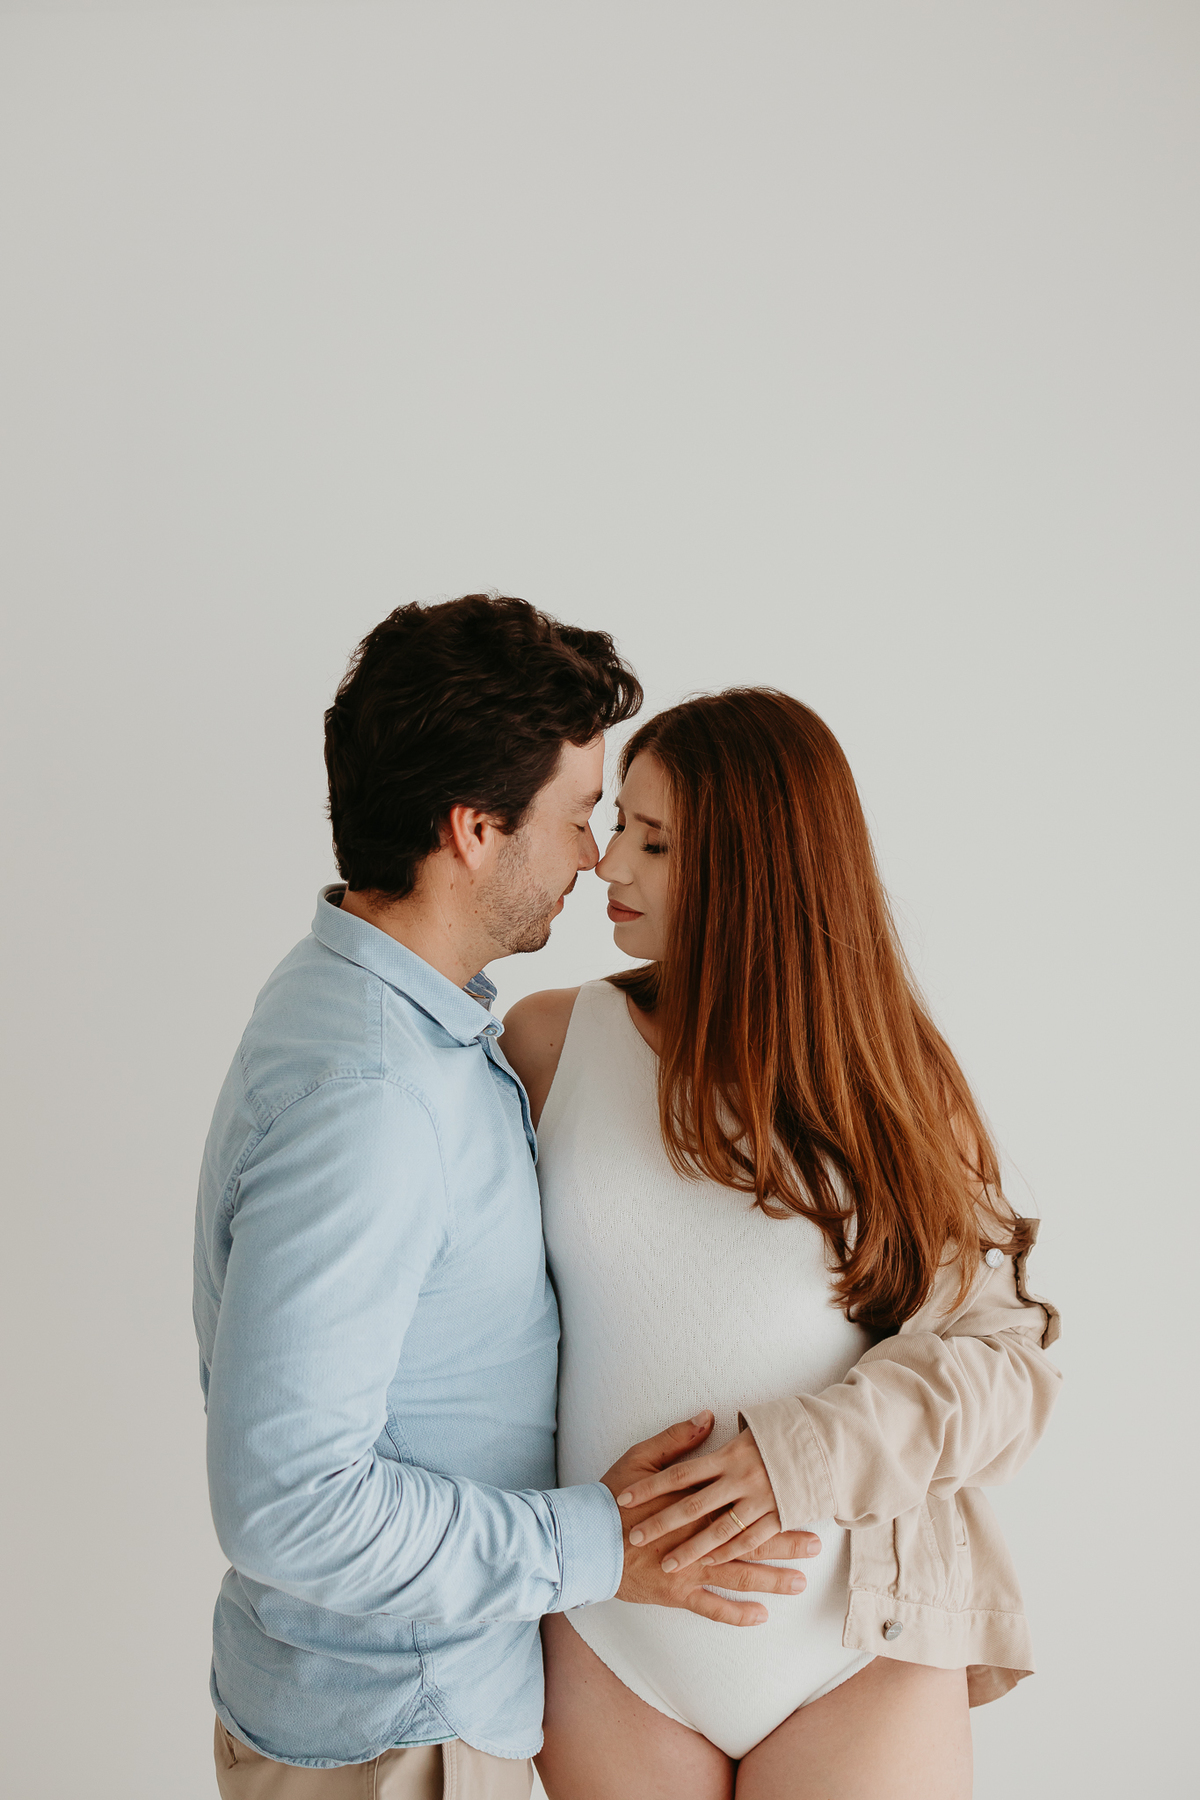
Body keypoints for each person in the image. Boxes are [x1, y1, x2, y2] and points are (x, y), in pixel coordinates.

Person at [193, 599, 817, 1800]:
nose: (595, 857)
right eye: (581, 816)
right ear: (476, 831)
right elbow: (289, 1506)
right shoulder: (373, 1097)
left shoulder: (386, 1017)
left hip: (403, 1706)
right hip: (393, 1732)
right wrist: (605, 1545)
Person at [502, 688, 1062, 1800]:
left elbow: (1007, 1368)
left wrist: (797, 1457)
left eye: (656, 843)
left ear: (757, 873)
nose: (609, 864)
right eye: (620, 826)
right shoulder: (549, 1044)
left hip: (859, 1646)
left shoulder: (893, 1088)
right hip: (612, 1638)